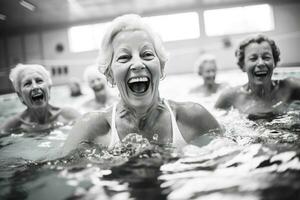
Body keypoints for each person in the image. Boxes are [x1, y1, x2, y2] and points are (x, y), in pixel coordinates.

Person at [62, 14, 221, 155]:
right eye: (124, 57)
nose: (138, 64)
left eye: (147, 54)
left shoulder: (194, 117)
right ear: (109, 74)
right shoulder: (90, 128)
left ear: (161, 67)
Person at [215, 34, 300, 119]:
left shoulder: (290, 88)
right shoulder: (230, 97)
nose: (260, 63)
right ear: (243, 65)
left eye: (266, 57)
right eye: (253, 58)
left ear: (275, 62)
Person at [0, 64, 81, 133]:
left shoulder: (68, 115)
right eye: (27, 83)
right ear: (20, 95)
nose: (35, 87)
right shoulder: (14, 125)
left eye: (39, 81)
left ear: (49, 88)